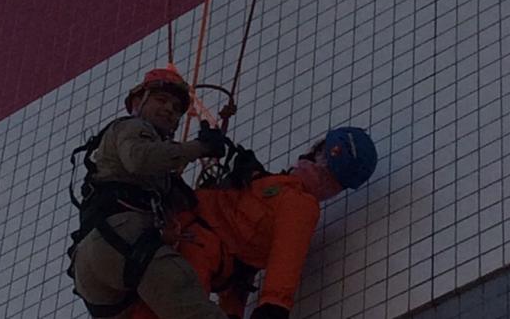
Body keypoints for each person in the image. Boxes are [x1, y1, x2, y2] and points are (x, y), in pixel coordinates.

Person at [131, 127, 379, 319]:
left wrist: (272, 307)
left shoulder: (296, 202)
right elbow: (246, 261)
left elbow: (283, 260)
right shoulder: (275, 186)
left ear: (318, 150)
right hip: (181, 240)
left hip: (187, 243)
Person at [67, 67, 231, 319]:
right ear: (137, 102)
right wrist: (202, 146)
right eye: (161, 100)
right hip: (122, 241)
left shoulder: (151, 174)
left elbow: (170, 187)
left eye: (176, 108)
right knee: (192, 305)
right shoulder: (132, 127)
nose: (169, 110)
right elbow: (141, 159)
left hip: (94, 267)